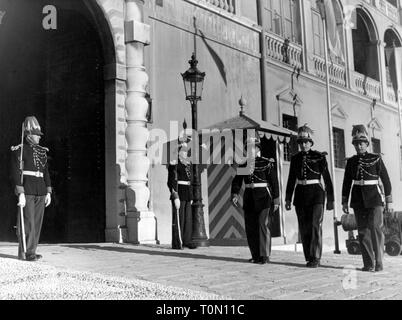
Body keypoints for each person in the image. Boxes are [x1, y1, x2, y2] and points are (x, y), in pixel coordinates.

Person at [342, 125, 392, 272]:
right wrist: (344, 200)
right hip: (358, 198)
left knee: (376, 228)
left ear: (367, 144)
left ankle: (378, 262)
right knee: (363, 231)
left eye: (362, 143)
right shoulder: (351, 162)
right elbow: (346, 182)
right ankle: (368, 263)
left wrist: (388, 201)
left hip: (375, 198)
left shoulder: (376, 159)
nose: (359, 146)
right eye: (356, 143)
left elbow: (386, 180)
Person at [285, 125, 334, 268]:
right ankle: (309, 257)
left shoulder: (319, 157)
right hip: (300, 194)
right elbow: (291, 179)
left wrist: (330, 199)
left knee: (315, 225)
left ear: (311, 143)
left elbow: (327, 179)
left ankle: (316, 257)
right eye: (300, 142)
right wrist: (288, 198)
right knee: (304, 227)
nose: (303, 145)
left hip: (317, 195)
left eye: (306, 142)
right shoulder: (295, 159)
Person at [231, 136, 280, 264]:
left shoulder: (266, 163)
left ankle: (264, 256)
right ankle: (256, 255)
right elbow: (237, 181)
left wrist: (276, 200)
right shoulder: (243, 164)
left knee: (263, 225)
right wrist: (235, 194)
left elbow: (274, 182)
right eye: (248, 148)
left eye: (254, 147)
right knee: (251, 227)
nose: (251, 150)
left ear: (258, 148)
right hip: (249, 198)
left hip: (264, 197)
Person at [10, 116, 52, 261]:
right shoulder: (19, 151)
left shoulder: (42, 151)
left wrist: (48, 191)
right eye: (36, 135)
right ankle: (27, 253)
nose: (39, 138)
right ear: (28, 136)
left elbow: (45, 172)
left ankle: (32, 250)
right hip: (27, 189)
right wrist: (20, 192)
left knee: (36, 223)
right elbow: (15, 172)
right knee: (28, 223)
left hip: (40, 190)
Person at [167, 137, 196, 250]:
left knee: (188, 219)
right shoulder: (174, 164)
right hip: (179, 192)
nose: (185, 153)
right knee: (179, 219)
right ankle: (177, 242)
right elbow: (171, 180)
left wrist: (192, 195)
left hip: (187, 193)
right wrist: (175, 195)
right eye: (183, 151)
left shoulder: (188, 164)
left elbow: (191, 181)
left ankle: (187, 240)